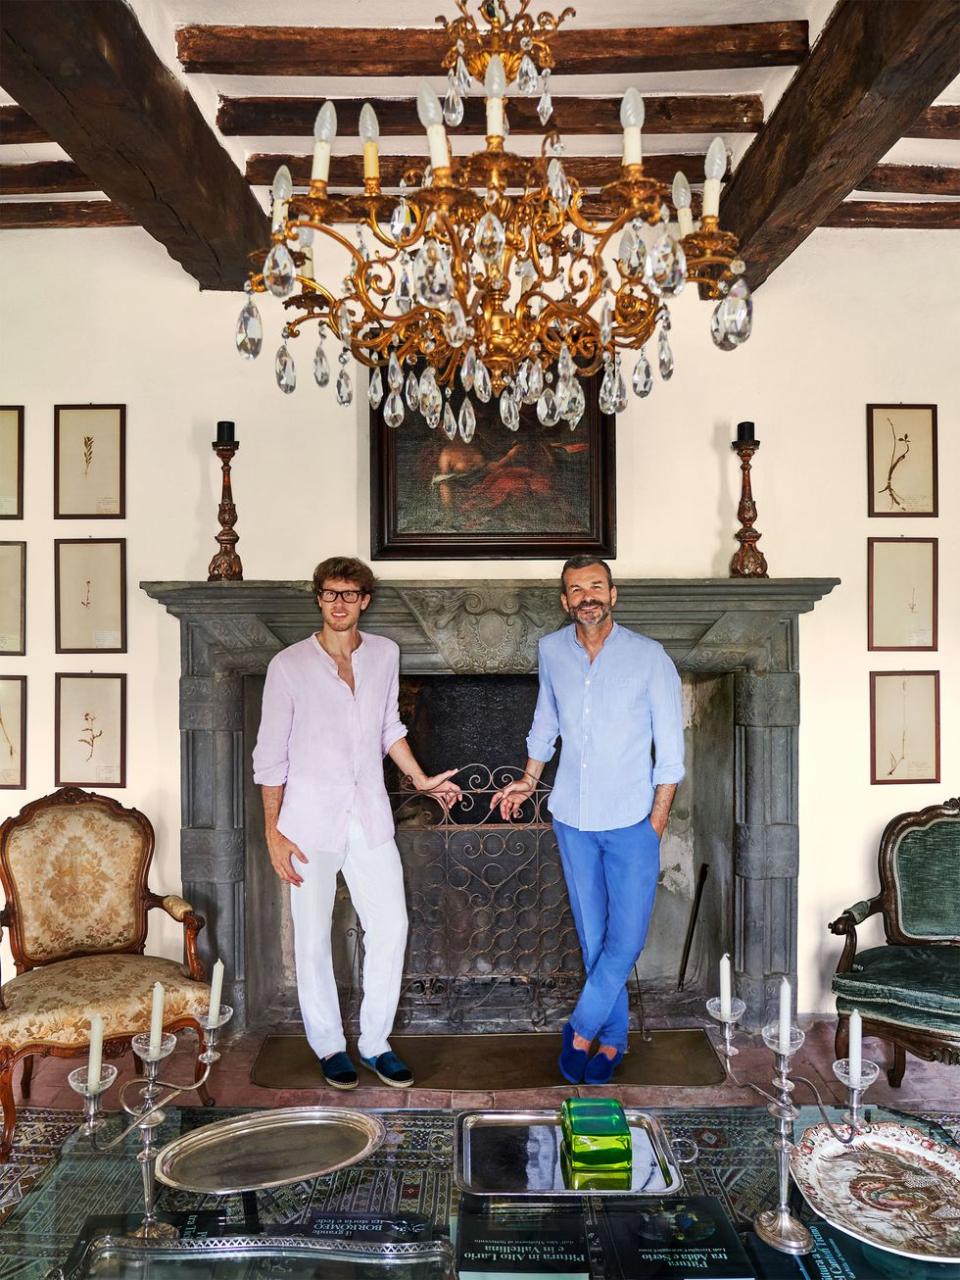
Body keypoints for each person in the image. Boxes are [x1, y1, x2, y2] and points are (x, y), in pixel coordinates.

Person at [252, 556, 462, 1090]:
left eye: (350, 594)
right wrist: (273, 833)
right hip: (307, 822)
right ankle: (329, 1046)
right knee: (313, 936)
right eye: (330, 593)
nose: (339, 603)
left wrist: (418, 778)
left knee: (391, 926)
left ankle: (374, 1043)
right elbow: (270, 758)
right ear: (319, 599)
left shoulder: (385, 655)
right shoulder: (289, 666)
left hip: (369, 813)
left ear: (365, 600)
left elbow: (389, 726)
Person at [492, 556, 684, 1085]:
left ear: (613, 594)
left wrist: (656, 824)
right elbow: (545, 722)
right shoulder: (552, 651)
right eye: (576, 590)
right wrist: (529, 780)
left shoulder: (650, 658)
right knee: (594, 939)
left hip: (632, 823)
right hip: (571, 819)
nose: (587, 597)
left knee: (626, 941)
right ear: (565, 601)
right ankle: (613, 1043)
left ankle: (580, 1030)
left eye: (595, 586)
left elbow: (670, 752)